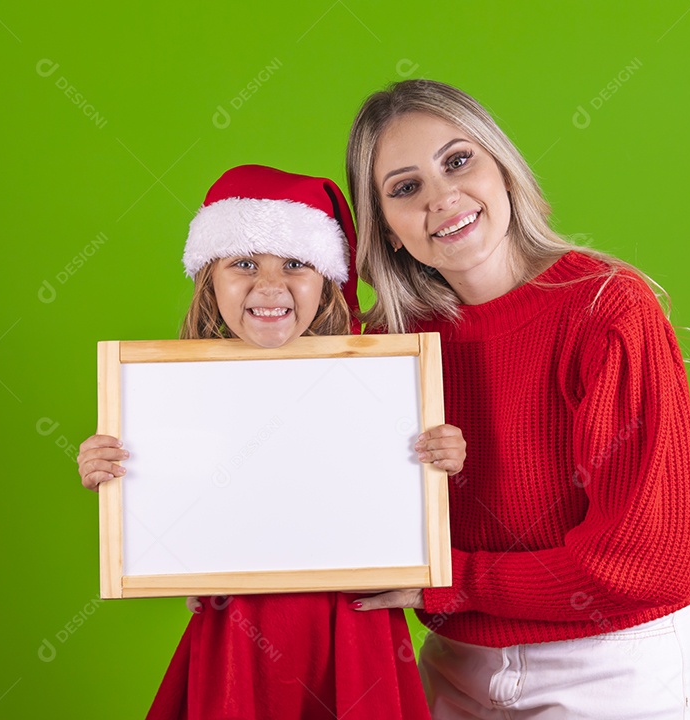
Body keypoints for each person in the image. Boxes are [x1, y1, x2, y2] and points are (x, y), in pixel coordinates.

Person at [344, 80, 690, 719]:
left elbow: (647, 558)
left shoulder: (606, 308)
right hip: (456, 662)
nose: (442, 198)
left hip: (613, 661)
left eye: (458, 161)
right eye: (405, 188)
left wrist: (452, 580)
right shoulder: (385, 349)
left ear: (504, 171)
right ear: (388, 230)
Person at [75, 164, 467, 720]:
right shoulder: (174, 394)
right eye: (243, 264)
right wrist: (116, 475)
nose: (269, 285)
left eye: (295, 264)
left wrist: (442, 454)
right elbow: (175, 505)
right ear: (210, 278)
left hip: (352, 619)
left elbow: (396, 494)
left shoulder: (379, 377)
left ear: (328, 279)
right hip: (239, 622)